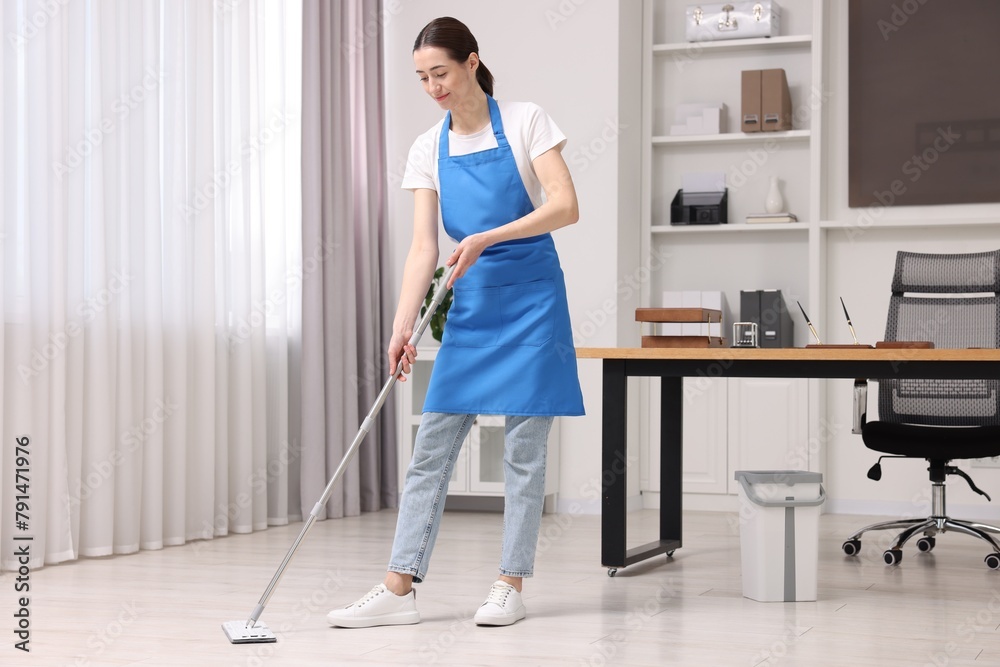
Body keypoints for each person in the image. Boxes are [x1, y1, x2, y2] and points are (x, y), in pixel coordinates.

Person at [327, 16, 584, 629]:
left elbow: (565, 206)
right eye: (421, 78)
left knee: (523, 451)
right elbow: (422, 249)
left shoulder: (526, 121)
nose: (433, 86)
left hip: (531, 301)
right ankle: (398, 586)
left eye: (439, 72)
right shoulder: (428, 147)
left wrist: (486, 236)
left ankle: (509, 584)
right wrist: (400, 326)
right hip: (469, 307)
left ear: (472, 61)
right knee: (431, 448)